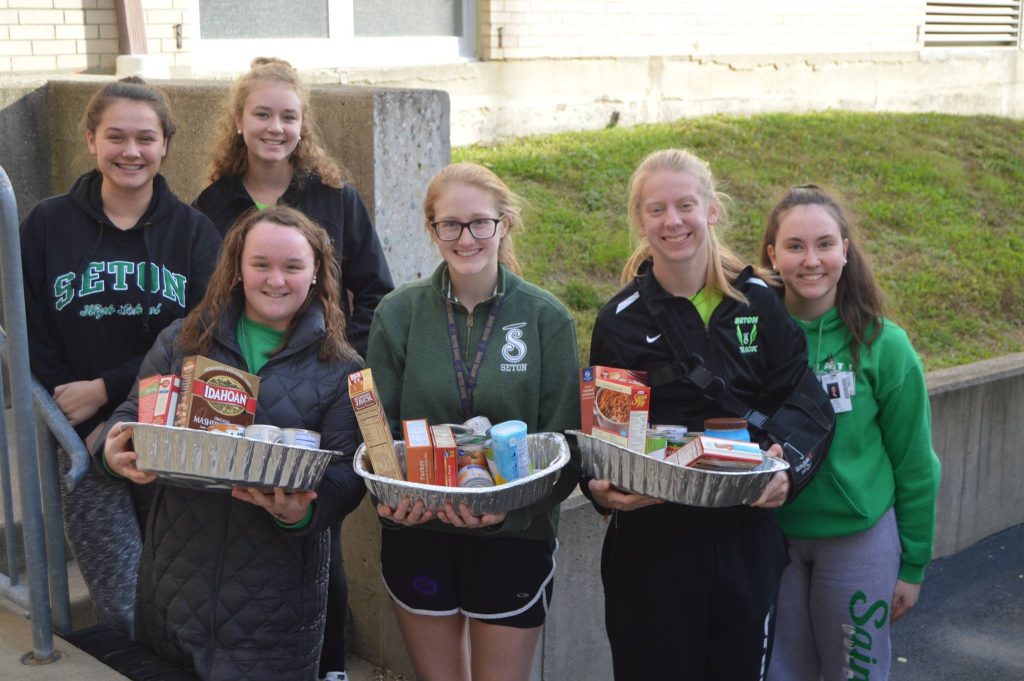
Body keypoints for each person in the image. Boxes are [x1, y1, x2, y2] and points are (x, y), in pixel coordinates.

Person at [586, 149, 834, 680]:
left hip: (744, 539)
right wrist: (601, 489)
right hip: (653, 546)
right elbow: (605, 437)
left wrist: (788, 474)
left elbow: (807, 403)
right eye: (657, 209)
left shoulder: (760, 303)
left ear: (712, 210)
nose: (673, 221)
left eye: (686, 205)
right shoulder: (620, 322)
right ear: (640, 220)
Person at [99, 205, 365, 681]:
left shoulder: (341, 368)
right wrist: (115, 449)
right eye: (261, 264)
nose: (275, 280)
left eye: (292, 266)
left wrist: (301, 511)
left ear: (316, 272)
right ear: (238, 268)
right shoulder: (182, 342)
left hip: (275, 607)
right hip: (174, 589)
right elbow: (131, 414)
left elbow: (346, 476)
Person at [193, 58, 392, 680]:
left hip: (316, 386)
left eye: (288, 115)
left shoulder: (335, 197)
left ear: (303, 124)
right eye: (262, 114)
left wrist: (337, 357)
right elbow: (207, 299)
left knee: (314, 527)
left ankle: (327, 665)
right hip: (236, 386)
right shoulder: (212, 203)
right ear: (239, 122)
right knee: (237, 526)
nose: (275, 126)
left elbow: (375, 291)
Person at [21, 77, 221, 635]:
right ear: (90, 139)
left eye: (145, 138)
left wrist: (112, 396)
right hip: (79, 435)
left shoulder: (194, 232)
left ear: (165, 146)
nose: (131, 151)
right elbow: (29, 323)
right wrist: (75, 413)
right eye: (116, 136)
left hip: (166, 424)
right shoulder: (47, 224)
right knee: (121, 596)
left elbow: (199, 336)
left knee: (182, 580)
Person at [365, 162, 581, 681]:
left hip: (513, 540)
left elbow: (565, 444)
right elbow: (377, 433)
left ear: (503, 225)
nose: (466, 238)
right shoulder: (397, 315)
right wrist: (395, 504)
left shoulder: (544, 319)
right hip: (420, 531)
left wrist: (510, 515)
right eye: (450, 225)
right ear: (432, 229)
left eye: (480, 222)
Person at [760, 184, 941, 681]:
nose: (811, 260)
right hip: (773, 538)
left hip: (858, 539)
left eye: (824, 244)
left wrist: (914, 565)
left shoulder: (885, 346)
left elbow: (916, 463)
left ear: (845, 249)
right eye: (795, 246)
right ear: (773, 254)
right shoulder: (751, 339)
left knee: (854, 673)